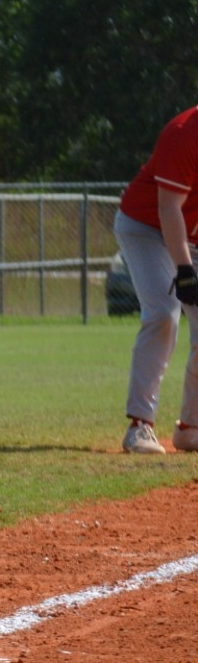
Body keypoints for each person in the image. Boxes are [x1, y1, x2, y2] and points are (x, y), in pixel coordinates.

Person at [112, 106, 198, 453]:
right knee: (164, 312)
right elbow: (168, 209)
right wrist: (185, 270)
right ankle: (140, 426)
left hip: (191, 234)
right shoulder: (184, 133)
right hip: (145, 226)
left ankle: (190, 428)